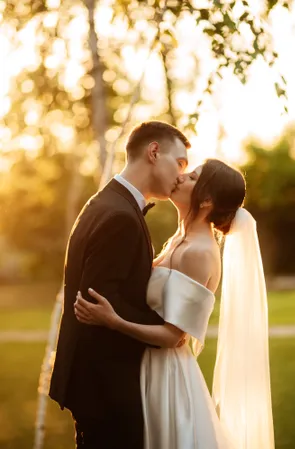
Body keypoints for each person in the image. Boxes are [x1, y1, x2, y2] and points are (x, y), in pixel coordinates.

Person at [75, 159, 275, 449]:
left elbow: (173, 336)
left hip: (165, 377)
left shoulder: (199, 252)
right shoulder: (179, 239)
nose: (181, 178)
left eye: (192, 177)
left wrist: (112, 320)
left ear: (206, 199)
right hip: (145, 365)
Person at [49, 121, 190, 449]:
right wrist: (171, 330)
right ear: (154, 152)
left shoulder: (106, 203)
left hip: (94, 384)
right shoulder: (120, 217)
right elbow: (99, 306)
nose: (182, 175)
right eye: (180, 163)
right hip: (106, 389)